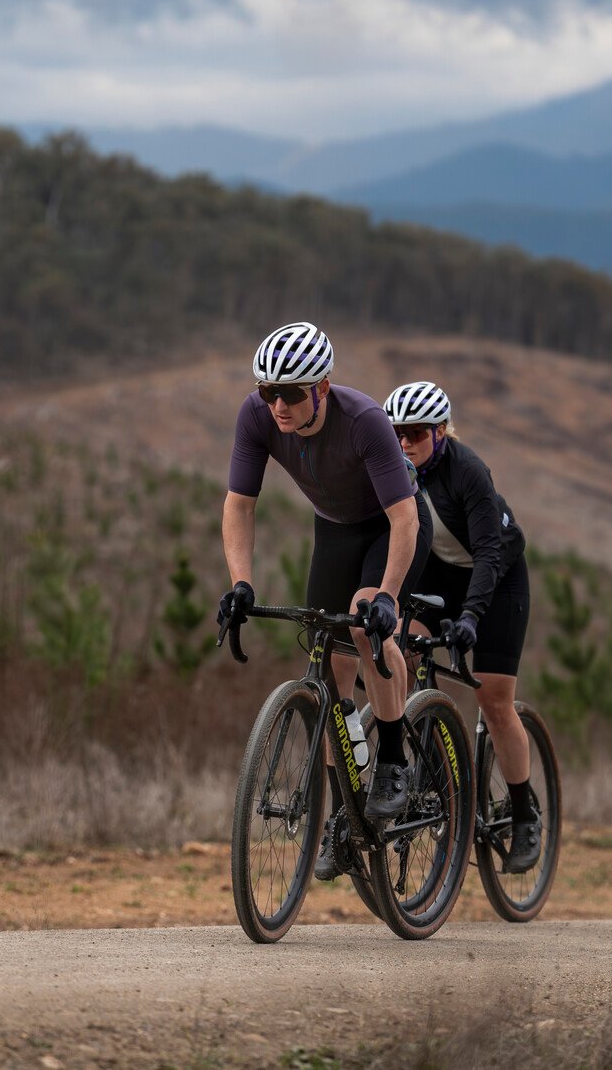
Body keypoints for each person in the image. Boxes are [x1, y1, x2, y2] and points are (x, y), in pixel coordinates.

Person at [215, 322, 431, 881]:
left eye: (290, 393)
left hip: (393, 526)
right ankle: (346, 817)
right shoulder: (257, 417)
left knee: (365, 625)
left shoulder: (364, 421)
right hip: (336, 531)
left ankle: (391, 764)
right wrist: (241, 583)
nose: (278, 406)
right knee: (328, 669)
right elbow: (240, 505)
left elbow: (404, 517)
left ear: (324, 387)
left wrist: (386, 596)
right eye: (269, 392)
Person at [383, 380, 543, 874]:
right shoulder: (390, 470)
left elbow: (490, 553)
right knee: (399, 648)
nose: (404, 443)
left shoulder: (467, 470)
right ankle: (418, 754)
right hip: (439, 575)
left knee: (494, 699)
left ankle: (523, 813)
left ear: (440, 432)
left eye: (414, 433)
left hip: (496, 578)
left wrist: (472, 615)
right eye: (395, 434)